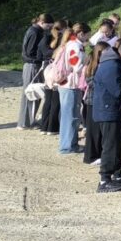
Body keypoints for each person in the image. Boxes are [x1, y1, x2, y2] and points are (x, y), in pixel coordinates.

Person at [94, 44, 121, 193]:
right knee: (111, 144)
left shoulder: (110, 63)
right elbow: (117, 90)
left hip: (109, 109)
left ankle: (118, 174)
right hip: (109, 110)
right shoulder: (112, 66)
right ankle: (105, 180)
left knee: (117, 142)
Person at [57, 23, 90, 155]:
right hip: (71, 84)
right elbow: (77, 67)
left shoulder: (70, 43)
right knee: (71, 116)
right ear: (81, 33)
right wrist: (88, 61)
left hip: (66, 84)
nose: (88, 37)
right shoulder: (76, 46)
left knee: (67, 115)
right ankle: (68, 146)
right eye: (87, 34)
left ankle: (68, 144)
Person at [18, 13, 53, 130]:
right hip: (32, 65)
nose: (49, 28)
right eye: (48, 26)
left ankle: (29, 121)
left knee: (34, 93)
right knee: (31, 93)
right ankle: (25, 122)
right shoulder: (35, 32)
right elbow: (29, 52)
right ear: (42, 23)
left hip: (33, 64)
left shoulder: (36, 30)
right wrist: (41, 58)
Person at [82, 41, 110, 166]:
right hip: (93, 100)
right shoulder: (93, 64)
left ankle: (95, 154)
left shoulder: (95, 64)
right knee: (93, 130)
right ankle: (91, 156)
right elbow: (90, 81)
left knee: (96, 130)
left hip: (93, 100)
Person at [39, 22, 66, 136]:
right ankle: (52, 127)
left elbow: (42, 51)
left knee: (48, 100)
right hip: (57, 71)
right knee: (56, 101)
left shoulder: (46, 37)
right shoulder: (63, 42)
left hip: (47, 70)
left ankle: (44, 127)